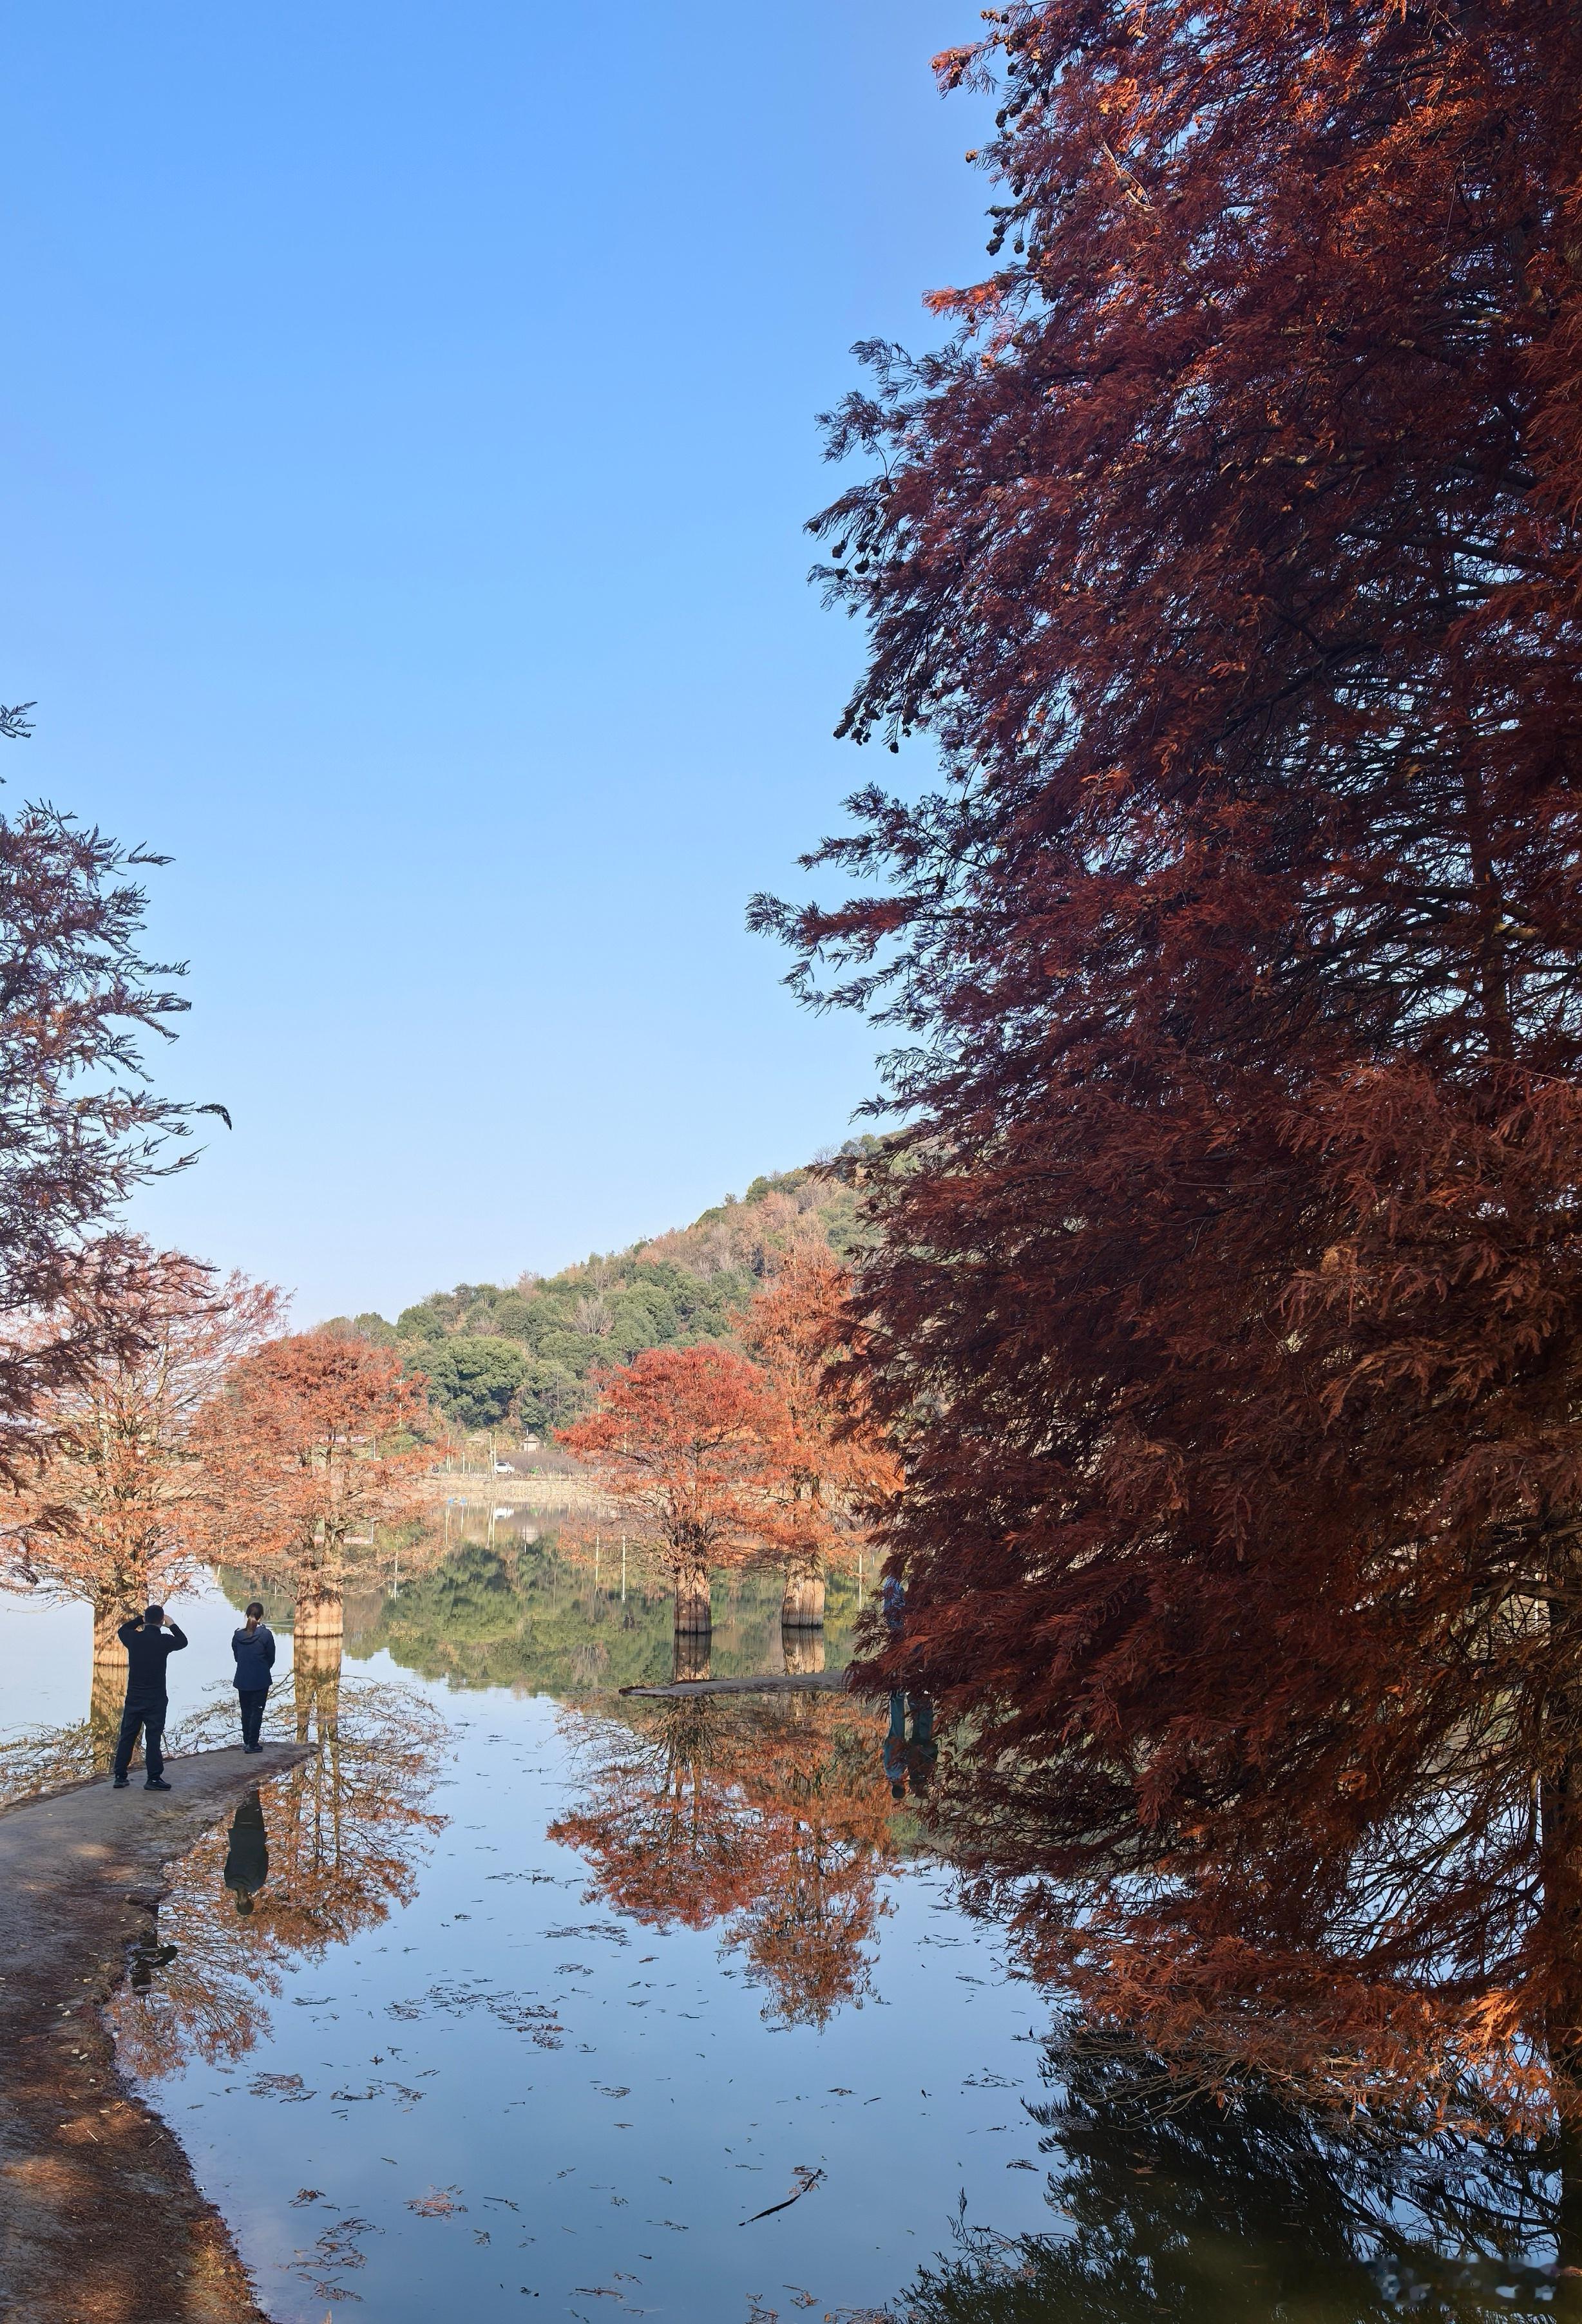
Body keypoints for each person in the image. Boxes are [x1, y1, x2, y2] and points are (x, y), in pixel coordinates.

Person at [111, 1603, 187, 1790]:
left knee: (128, 1735)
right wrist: (172, 1625)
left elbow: (123, 1630)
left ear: (145, 1620)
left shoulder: (134, 1639)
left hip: (135, 1696)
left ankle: (120, 1776)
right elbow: (183, 1641)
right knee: (153, 1738)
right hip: (156, 1698)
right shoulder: (164, 1641)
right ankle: (153, 1778)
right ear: (162, 1621)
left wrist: (139, 1620)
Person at [231, 1600, 276, 1752]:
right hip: (260, 1679)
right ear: (261, 1616)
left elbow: (237, 1657)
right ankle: (253, 1744)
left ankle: (247, 1741)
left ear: (246, 1615)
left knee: (246, 1711)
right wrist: (263, 1668)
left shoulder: (238, 1635)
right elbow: (271, 1657)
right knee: (257, 1710)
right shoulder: (266, 1635)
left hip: (243, 1678)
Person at [223, 1788, 269, 1915]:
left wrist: (259, 1847)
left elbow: (264, 1858)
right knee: (242, 1804)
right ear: (237, 1903)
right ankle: (244, 1781)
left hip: (256, 1837)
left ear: (252, 1902)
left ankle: (253, 1778)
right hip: (239, 1837)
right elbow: (230, 1857)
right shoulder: (229, 1881)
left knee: (254, 1803)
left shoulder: (257, 1884)